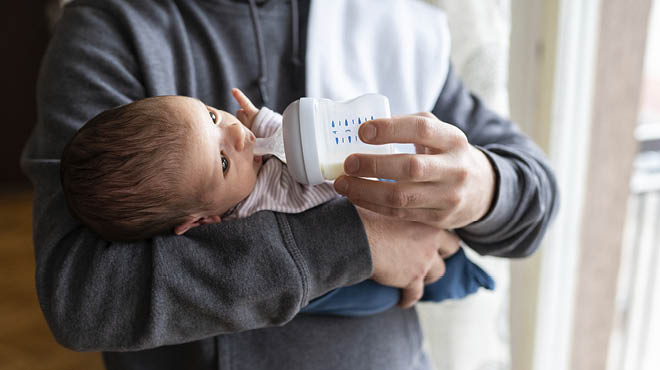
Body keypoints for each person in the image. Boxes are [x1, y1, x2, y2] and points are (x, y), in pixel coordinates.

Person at [20, 0, 558, 369]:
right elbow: (82, 298)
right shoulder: (112, 30)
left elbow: (537, 198)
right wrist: (357, 241)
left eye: (213, 116)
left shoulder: (391, 24)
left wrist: (482, 185)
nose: (229, 128)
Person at [59, 88, 494, 316]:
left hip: (398, 220)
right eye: (224, 162)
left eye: (211, 116)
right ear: (201, 220)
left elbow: (276, 142)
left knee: (440, 235)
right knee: (417, 279)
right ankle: (466, 276)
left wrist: (262, 123)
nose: (234, 132)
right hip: (356, 281)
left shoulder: (246, 166)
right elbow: (301, 177)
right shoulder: (251, 214)